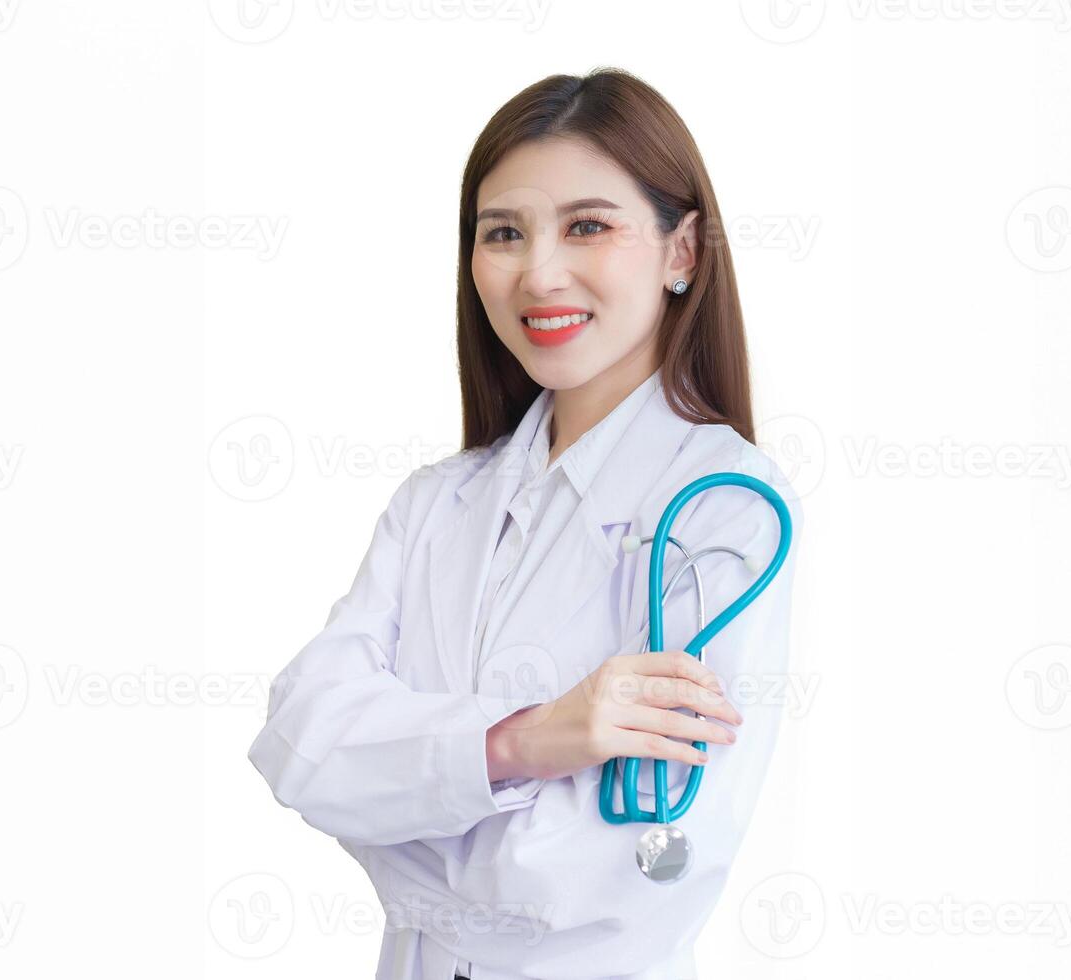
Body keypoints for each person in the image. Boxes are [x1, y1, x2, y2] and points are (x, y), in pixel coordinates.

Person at [247, 67, 804, 980]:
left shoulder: (727, 511)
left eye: (588, 225)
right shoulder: (436, 503)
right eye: (503, 233)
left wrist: (401, 802)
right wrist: (529, 741)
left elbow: (632, 878)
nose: (539, 272)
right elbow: (300, 742)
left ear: (682, 253)